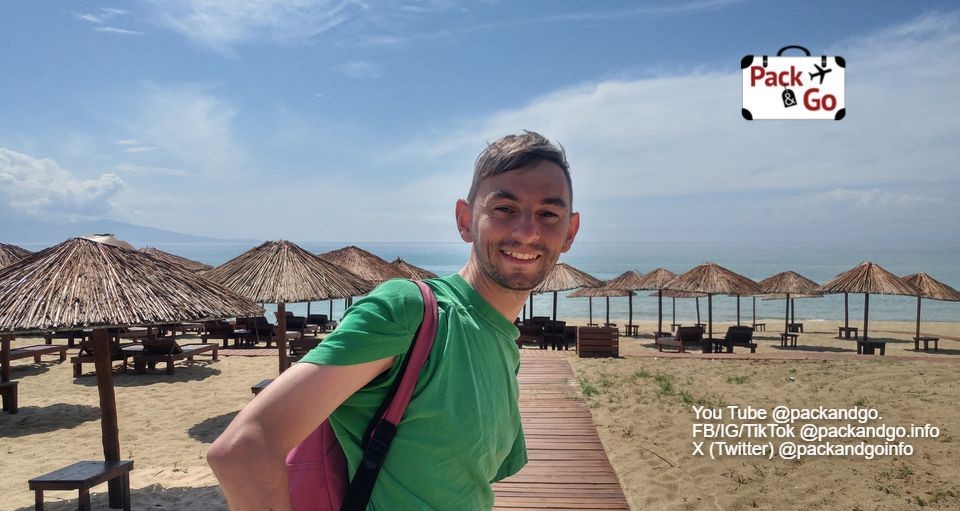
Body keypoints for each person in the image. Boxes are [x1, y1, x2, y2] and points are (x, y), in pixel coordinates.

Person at [207, 131, 581, 510]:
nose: (527, 231)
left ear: (570, 232)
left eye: (549, 214)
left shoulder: (501, 339)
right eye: (504, 208)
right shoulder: (408, 311)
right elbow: (244, 449)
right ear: (465, 220)